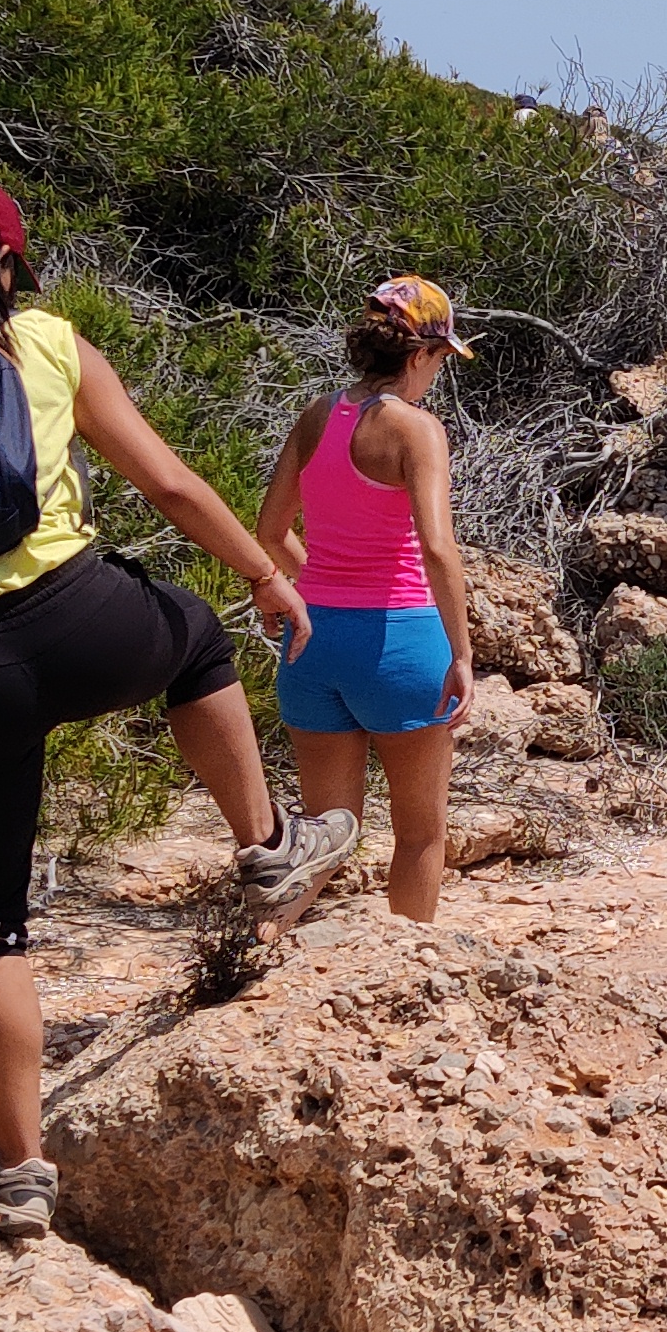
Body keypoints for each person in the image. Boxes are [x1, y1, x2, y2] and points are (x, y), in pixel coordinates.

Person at [0, 174, 354, 1245]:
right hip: (81, 617)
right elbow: (172, 485)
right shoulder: (44, 339)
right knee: (192, 640)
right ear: (5, 261)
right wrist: (263, 574)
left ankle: (19, 1171)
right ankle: (269, 845)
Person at [254, 278, 479, 927]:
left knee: (323, 839)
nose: (437, 374)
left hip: (312, 644)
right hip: (400, 647)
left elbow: (269, 536)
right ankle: (408, 982)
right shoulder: (417, 431)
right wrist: (462, 654)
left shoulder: (317, 416)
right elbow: (438, 549)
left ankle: (253, 955)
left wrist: (315, 589)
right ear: (419, 355)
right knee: (420, 834)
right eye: (440, 360)